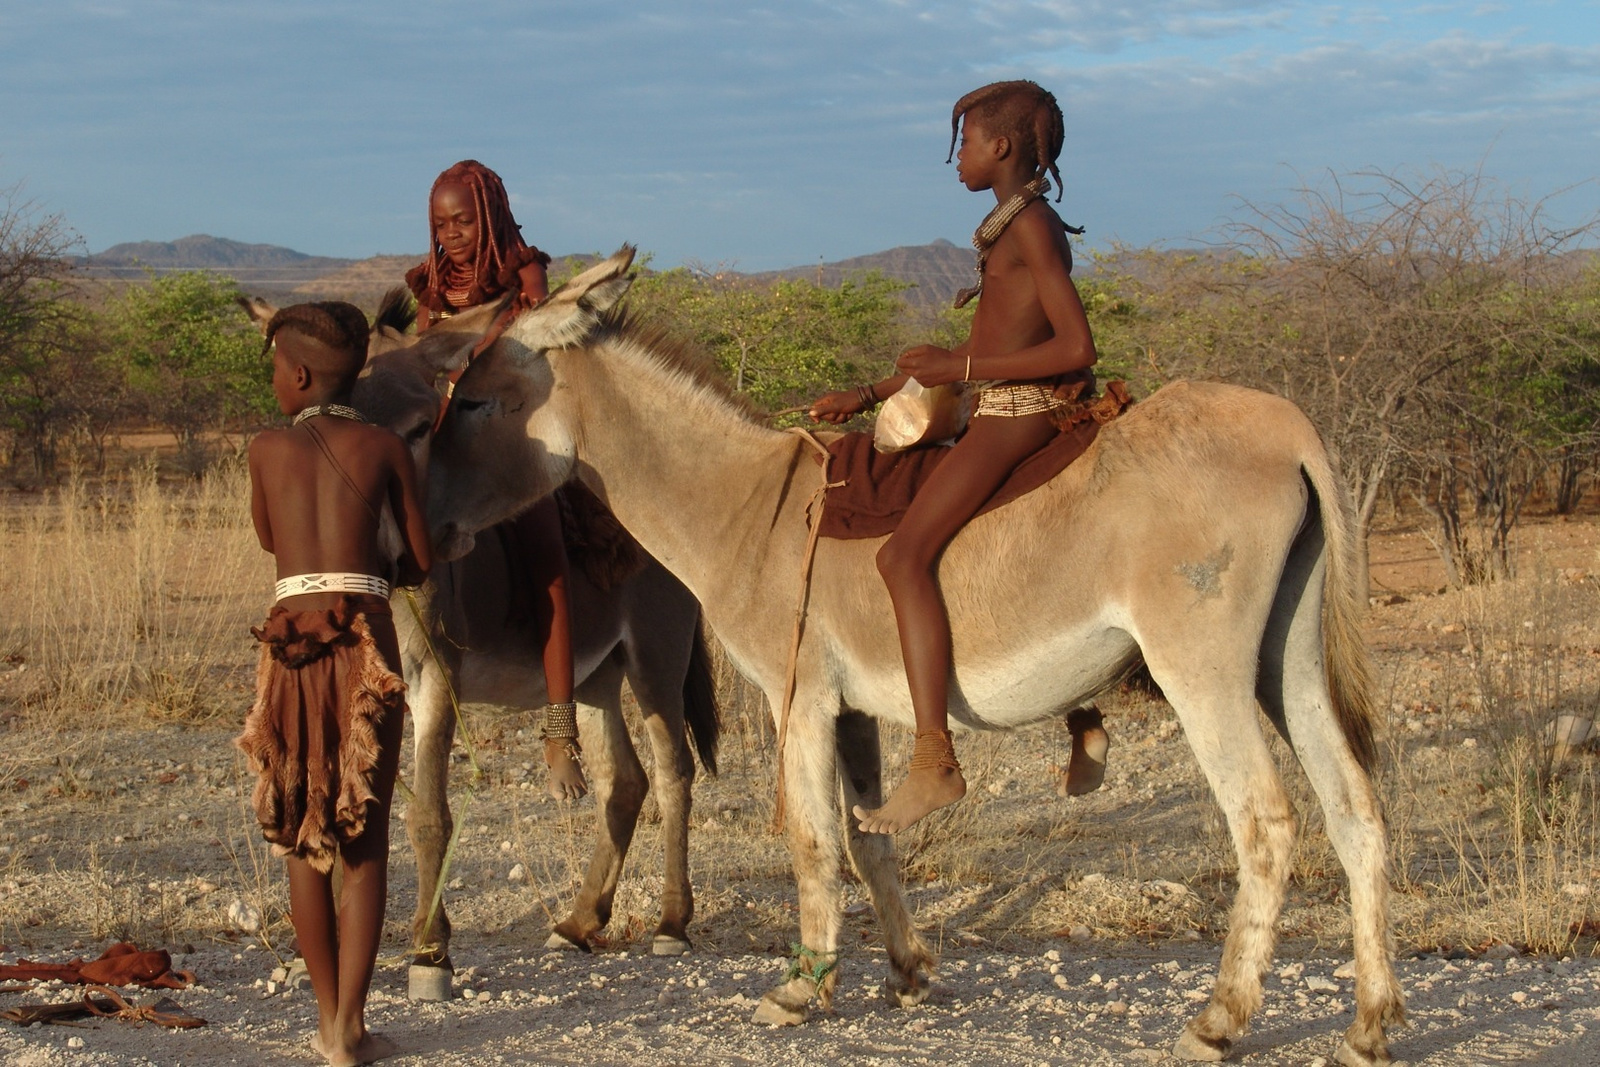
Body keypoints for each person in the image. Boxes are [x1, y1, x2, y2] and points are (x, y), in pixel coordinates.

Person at [809, 81, 1110, 834]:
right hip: (996, 405)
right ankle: (1085, 715)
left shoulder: (1032, 229)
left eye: (966, 143)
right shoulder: (1009, 225)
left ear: (1001, 147)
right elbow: (991, 343)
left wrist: (961, 374)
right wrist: (873, 387)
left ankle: (934, 762)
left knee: (902, 558)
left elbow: (1077, 347)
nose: (959, 158)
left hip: (1021, 416)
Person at [238, 301, 433, 1066]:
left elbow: (268, 538)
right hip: (365, 642)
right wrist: (380, 568)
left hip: (289, 642)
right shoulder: (384, 446)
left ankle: (323, 1021)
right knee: (367, 836)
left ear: (298, 373)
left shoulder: (264, 449)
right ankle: (351, 1027)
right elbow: (418, 559)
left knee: (301, 829)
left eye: (276, 372)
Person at [406, 160, 587, 800]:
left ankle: (561, 731)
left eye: (462, 220)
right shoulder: (428, 288)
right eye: (440, 223)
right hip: (446, 436)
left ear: (488, 216)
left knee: (547, 560)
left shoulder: (524, 276)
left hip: (512, 434)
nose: (451, 234)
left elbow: (543, 355)